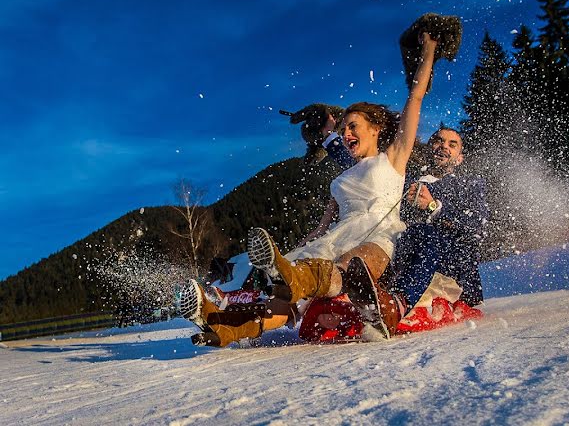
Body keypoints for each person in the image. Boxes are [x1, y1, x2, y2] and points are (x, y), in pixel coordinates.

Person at [178, 31, 440, 344]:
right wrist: (310, 240)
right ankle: (225, 324)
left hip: (378, 235)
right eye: (343, 130)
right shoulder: (342, 179)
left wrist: (429, 49)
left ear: (376, 128)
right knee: (287, 295)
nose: (347, 134)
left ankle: (298, 279)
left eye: (353, 126)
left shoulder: (394, 158)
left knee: (353, 263)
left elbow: (415, 98)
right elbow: (324, 225)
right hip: (339, 235)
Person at [393, 128, 488, 310]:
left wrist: (434, 207)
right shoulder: (406, 181)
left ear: (460, 158)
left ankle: (400, 302)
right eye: (438, 141)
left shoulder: (469, 185)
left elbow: (477, 227)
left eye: (452, 145)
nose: (443, 146)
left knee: (427, 233)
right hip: (406, 254)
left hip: (451, 263)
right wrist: (330, 136)